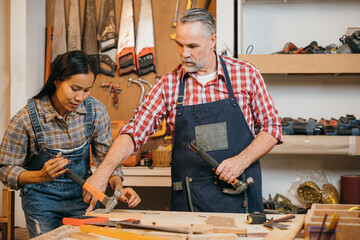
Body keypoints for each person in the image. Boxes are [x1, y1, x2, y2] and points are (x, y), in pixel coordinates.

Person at [85, 8, 282, 213]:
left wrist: (241, 161)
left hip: (241, 198)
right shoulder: (168, 85)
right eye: (179, 44)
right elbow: (134, 131)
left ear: (212, 40)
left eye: (192, 46)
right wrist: (102, 173)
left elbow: (273, 128)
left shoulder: (246, 74)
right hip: (190, 202)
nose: (184, 53)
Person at [0, 50, 141, 238]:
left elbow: (108, 162)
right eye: (75, 88)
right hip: (42, 204)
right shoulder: (26, 118)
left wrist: (118, 189)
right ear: (57, 81)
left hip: (84, 200)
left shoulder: (95, 111)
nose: (80, 97)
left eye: (86, 90)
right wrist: (40, 176)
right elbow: (5, 169)